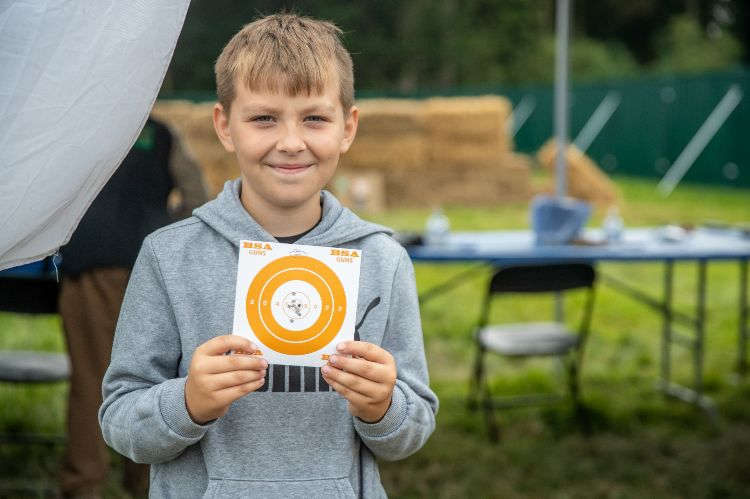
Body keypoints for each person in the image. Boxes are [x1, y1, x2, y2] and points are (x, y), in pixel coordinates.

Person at [99, 12, 438, 498]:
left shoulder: (383, 260)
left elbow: (415, 425)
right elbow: (119, 419)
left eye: (315, 118)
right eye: (263, 118)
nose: (291, 142)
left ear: (348, 126)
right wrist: (187, 402)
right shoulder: (168, 257)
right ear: (225, 126)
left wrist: (383, 406)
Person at [58, 116, 209, 498]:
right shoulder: (161, 132)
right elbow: (196, 195)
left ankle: (84, 487)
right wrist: (165, 229)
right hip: (151, 262)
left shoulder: (78, 128)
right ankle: (144, 484)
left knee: (91, 380)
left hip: (91, 260)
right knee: (152, 377)